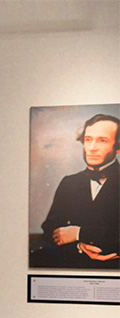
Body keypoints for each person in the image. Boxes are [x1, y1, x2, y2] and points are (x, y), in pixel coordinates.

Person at [39, 114, 120, 269]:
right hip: (73, 268)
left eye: (102, 140)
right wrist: (79, 246)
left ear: (118, 147)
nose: (92, 148)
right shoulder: (69, 183)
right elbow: (49, 229)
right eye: (88, 139)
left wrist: (79, 234)